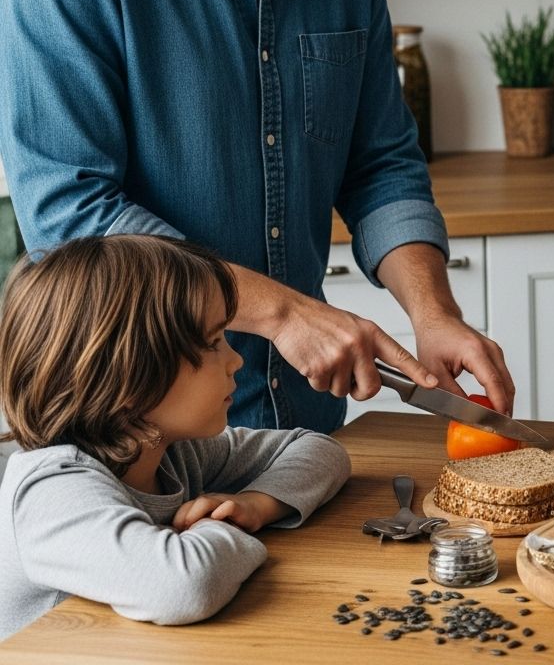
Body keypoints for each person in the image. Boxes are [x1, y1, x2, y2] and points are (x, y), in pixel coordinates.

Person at [0, 0, 513, 434]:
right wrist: (283, 314)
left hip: (305, 433)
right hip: (137, 440)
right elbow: (72, 219)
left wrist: (434, 315)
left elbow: (380, 165)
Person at [0, 235, 351, 639]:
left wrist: (255, 505)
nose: (235, 360)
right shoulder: (51, 491)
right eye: (213, 343)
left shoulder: (172, 454)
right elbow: (184, 585)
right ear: (128, 374)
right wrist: (225, 530)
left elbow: (318, 450)